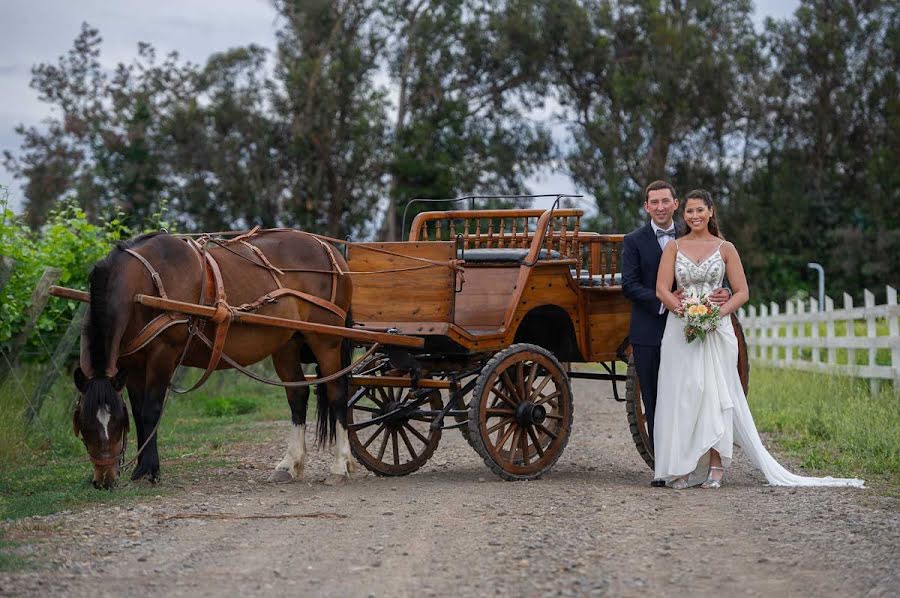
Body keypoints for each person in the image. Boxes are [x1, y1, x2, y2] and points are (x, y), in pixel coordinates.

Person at [653, 189, 864, 489]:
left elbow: (742, 292)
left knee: (717, 394)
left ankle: (716, 465)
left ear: (711, 212)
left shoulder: (726, 248)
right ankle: (684, 466)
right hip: (680, 330)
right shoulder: (674, 247)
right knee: (684, 395)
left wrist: (716, 315)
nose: (695, 216)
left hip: (717, 328)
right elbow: (662, 288)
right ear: (683, 215)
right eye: (689, 211)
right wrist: (683, 310)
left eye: (700, 210)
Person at [621, 181, 729, 487]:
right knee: (657, 398)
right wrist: (669, 302)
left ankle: (697, 459)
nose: (659, 207)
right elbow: (628, 285)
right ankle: (664, 466)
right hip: (650, 328)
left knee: (696, 393)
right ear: (646, 207)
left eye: (665, 201)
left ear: (674, 204)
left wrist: (724, 292)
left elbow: (716, 267)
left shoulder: (691, 235)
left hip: (693, 328)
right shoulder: (634, 240)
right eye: (653, 202)